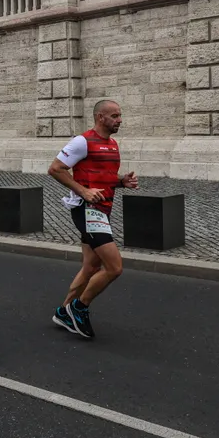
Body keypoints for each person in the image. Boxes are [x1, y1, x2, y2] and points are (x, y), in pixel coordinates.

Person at [47, 100, 138, 340]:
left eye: (120, 115)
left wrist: (120, 182)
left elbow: (103, 176)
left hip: (103, 209)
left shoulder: (112, 144)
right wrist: (84, 191)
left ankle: (64, 311)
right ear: (100, 117)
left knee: (91, 266)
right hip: (88, 210)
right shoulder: (82, 141)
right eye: (114, 116)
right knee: (114, 267)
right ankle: (79, 307)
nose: (119, 120)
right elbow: (56, 169)